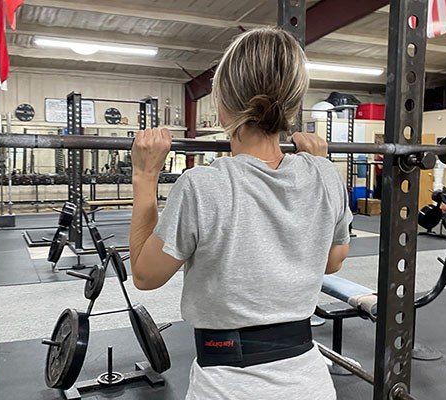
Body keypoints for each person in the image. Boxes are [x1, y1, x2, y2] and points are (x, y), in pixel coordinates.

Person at [128, 27, 352, 400]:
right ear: (293, 105)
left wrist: (145, 175)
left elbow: (145, 275)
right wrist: (319, 168)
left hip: (228, 387)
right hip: (310, 385)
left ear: (223, 104)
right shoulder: (324, 174)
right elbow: (333, 261)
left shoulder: (202, 186)